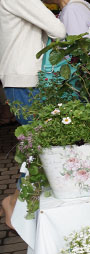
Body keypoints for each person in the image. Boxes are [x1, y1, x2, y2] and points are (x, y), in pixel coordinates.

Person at [0, 0, 66, 230]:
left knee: (37, 145)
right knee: (39, 145)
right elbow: (59, 30)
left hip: (22, 80)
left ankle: (19, 201)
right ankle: (14, 202)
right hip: (26, 81)